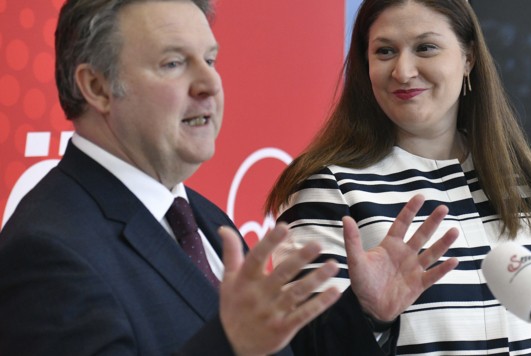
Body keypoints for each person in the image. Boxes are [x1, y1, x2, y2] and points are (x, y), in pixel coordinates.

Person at [0, 1, 346, 355]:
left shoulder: (208, 220)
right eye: (174, 63)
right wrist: (231, 345)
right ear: (97, 87)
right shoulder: (45, 251)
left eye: (210, 60)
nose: (210, 83)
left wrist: (371, 314)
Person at [265, 0, 531, 355]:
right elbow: (306, 348)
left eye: (425, 47)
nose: (403, 70)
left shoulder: (525, 179)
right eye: (385, 51)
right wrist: (370, 315)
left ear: (468, 57)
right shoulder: (327, 188)